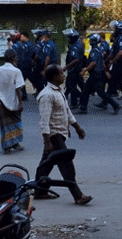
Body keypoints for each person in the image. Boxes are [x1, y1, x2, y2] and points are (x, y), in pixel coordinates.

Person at [34, 64, 93, 205]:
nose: (64, 75)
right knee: (67, 165)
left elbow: (67, 112)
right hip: (54, 135)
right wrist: (47, 142)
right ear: (55, 77)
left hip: (60, 133)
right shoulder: (47, 95)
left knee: (46, 165)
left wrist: (77, 127)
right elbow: (44, 121)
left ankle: (39, 191)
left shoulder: (58, 91)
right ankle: (77, 195)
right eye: (61, 73)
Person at [0, 49, 25, 154]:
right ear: (13, 58)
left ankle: (7, 146)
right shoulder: (16, 71)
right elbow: (18, 88)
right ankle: (15, 142)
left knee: (4, 124)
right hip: (13, 101)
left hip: (2, 101)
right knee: (15, 122)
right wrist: (20, 102)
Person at [80, 34, 120, 115]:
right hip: (98, 73)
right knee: (88, 91)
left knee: (95, 91)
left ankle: (115, 105)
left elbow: (94, 63)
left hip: (95, 74)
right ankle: (83, 108)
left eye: (90, 40)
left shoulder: (94, 51)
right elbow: (102, 62)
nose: (89, 42)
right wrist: (105, 72)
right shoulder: (98, 50)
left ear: (94, 41)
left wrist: (85, 70)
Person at [62, 29, 85, 110]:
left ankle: (77, 101)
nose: (68, 40)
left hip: (74, 69)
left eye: (69, 38)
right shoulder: (76, 44)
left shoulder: (75, 46)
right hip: (75, 69)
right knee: (71, 85)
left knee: (72, 86)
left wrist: (66, 67)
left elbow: (76, 59)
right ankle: (77, 100)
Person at [11, 31, 34, 101]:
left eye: (21, 36)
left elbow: (32, 55)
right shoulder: (23, 44)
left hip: (26, 65)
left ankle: (25, 94)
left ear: (25, 37)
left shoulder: (29, 44)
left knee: (29, 80)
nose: (20, 38)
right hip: (23, 65)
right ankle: (24, 95)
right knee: (22, 80)